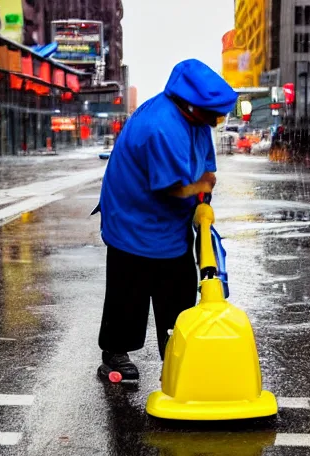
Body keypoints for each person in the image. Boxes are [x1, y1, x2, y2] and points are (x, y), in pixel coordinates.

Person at [94, 59, 238, 381]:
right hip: (132, 219)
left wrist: (204, 195)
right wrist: (202, 186)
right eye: (214, 114)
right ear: (190, 105)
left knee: (178, 288)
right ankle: (115, 354)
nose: (218, 121)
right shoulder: (162, 126)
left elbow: (205, 170)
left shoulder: (198, 121)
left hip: (168, 222)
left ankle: (177, 353)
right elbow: (173, 186)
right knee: (128, 289)